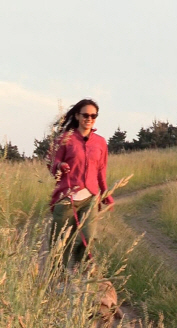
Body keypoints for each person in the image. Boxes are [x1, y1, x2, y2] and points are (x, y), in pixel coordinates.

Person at [48, 98, 114, 270]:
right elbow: (51, 162)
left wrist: (106, 194)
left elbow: (101, 171)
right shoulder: (65, 139)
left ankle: (81, 274)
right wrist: (60, 166)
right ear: (77, 116)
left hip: (90, 198)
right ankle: (57, 277)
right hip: (66, 198)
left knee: (88, 238)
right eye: (85, 115)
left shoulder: (100, 142)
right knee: (60, 241)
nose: (89, 118)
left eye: (94, 115)